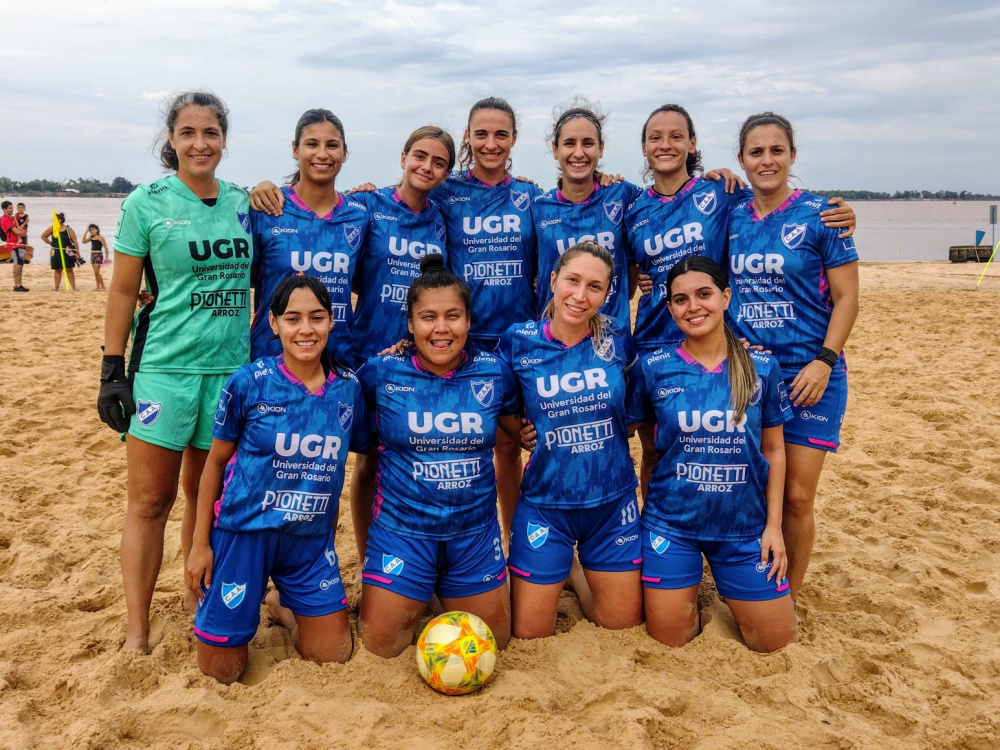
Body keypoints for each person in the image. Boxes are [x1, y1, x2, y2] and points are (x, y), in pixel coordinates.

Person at [626, 104, 857, 501]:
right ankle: (664, 544)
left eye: (677, 136)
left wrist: (846, 215)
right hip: (658, 344)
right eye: (656, 137)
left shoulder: (723, 195)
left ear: (693, 144)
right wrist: (645, 280)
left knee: (772, 484)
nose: (666, 144)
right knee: (659, 455)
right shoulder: (633, 209)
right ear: (643, 147)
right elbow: (629, 275)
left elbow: (845, 292)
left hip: (725, 349)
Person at [248, 125, 456, 562]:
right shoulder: (367, 206)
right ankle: (362, 560)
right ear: (402, 157)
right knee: (352, 459)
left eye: (439, 162)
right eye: (419, 156)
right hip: (365, 353)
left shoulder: (442, 217)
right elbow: (313, 211)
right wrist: (265, 186)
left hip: (420, 354)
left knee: (400, 457)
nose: (427, 166)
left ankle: (388, 559)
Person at [97, 90, 252, 652]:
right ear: (172, 140)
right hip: (163, 368)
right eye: (188, 133)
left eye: (210, 132)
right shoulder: (146, 202)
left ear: (224, 139)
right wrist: (112, 370)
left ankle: (196, 601)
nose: (200, 143)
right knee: (148, 502)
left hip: (230, 372)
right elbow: (121, 289)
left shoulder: (243, 202)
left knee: (204, 498)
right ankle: (137, 628)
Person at [186, 274, 369, 683]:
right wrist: (200, 544)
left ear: (331, 321)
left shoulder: (348, 388)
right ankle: (250, 603)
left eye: (317, 318)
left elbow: (357, 459)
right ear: (274, 324)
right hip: (243, 535)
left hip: (307, 542)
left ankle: (279, 603)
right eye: (293, 319)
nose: (306, 329)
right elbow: (214, 465)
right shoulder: (248, 382)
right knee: (222, 672)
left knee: (333, 655)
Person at [627, 255, 797, 652]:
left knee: (776, 643)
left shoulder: (761, 367)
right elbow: (633, 439)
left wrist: (773, 528)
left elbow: (774, 448)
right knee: (670, 640)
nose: (693, 306)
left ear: (725, 297)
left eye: (704, 294)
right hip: (672, 527)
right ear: (669, 308)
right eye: (681, 299)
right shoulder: (653, 368)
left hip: (744, 530)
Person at [356, 254, 519, 658]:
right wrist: (365, 556)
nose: (441, 328)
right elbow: (361, 464)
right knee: (381, 648)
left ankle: (442, 587)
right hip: (402, 533)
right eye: (428, 317)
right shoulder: (380, 373)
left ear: (468, 321)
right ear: (410, 325)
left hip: (474, 535)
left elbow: (519, 436)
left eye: (453, 316)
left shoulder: (494, 372)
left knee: (495, 644)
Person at [726, 111, 859, 600]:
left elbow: (847, 298)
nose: (767, 160)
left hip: (811, 375)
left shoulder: (822, 215)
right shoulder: (733, 213)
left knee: (798, 497)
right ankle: (748, 579)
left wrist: (825, 359)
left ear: (792, 156)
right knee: (754, 491)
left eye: (776, 150)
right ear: (741, 160)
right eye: (756, 152)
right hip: (749, 376)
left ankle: (789, 597)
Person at [496, 241, 642, 639]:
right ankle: (564, 564)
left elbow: (631, 417)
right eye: (573, 281)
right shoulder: (517, 341)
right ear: (553, 281)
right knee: (529, 635)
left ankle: (576, 575)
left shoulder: (618, 342)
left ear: (608, 293)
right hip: (546, 505)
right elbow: (500, 404)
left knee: (621, 627)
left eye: (594, 287)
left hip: (612, 504)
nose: (580, 296)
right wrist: (520, 431)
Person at [432, 97, 541, 539]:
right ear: (468, 137)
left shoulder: (530, 196)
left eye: (501, 134)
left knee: (513, 444)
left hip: (519, 340)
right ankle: (465, 542)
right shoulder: (447, 193)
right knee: (461, 446)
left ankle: (517, 542)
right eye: (482, 134)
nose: (491, 143)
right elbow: (402, 203)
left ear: (514, 138)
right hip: (464, 339)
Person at [248, 109, 370, 370]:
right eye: (312, 144)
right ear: (295, 149)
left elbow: (365, 279)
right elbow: (240, 276)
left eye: (332, 145)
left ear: (344, 153)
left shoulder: (359, 215)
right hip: (271, 361)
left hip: (336, 361)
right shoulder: (268, 208)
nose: (322, 154)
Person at [531, 102, 640, 330]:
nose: (579, 153)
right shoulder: (538, 206)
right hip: (555, 340)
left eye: (588, 143)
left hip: (613, 339)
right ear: (555, 149)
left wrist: (709, 180)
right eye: (569, 143)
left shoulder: (622, 194)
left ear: (600, 148)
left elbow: (669, 199)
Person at [41, 213, 79, 291]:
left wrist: (77, 252)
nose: (52, 220)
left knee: (69, 269)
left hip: (67, 251)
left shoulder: (68, 229)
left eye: (54, 219)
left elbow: (75, 241)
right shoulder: (52, 228)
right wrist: (51, 243)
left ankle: (74, 288)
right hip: (56, 251)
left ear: (60, 220)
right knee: (58, 269)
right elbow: (43, 236)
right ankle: (56, 288)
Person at [1, 201, 29, 291]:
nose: (12, 209)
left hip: (19, 243)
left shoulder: (12, 218)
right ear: (4, 209)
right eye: (10, 208)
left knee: (20, 264)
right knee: (17, 264)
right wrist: (23, 234)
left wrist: (23, 233)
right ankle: (17, 285)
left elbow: (21, 224)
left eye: (12, 207)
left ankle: (19, 284)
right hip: (14, 244)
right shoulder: (5, 219)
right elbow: (15, 231)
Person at [82, 224, 109, 290]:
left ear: (97, 230)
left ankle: (103, 286)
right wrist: (86, 231)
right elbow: (83, 241)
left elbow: (105, 247)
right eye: (90, 230)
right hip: (92, 255)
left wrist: (106, 258)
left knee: (97, 271)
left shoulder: (100, 238)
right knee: (95, 272)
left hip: (98, 255)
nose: (92, 231)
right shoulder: (91, 238)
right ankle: (98, 287)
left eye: (93, 229)